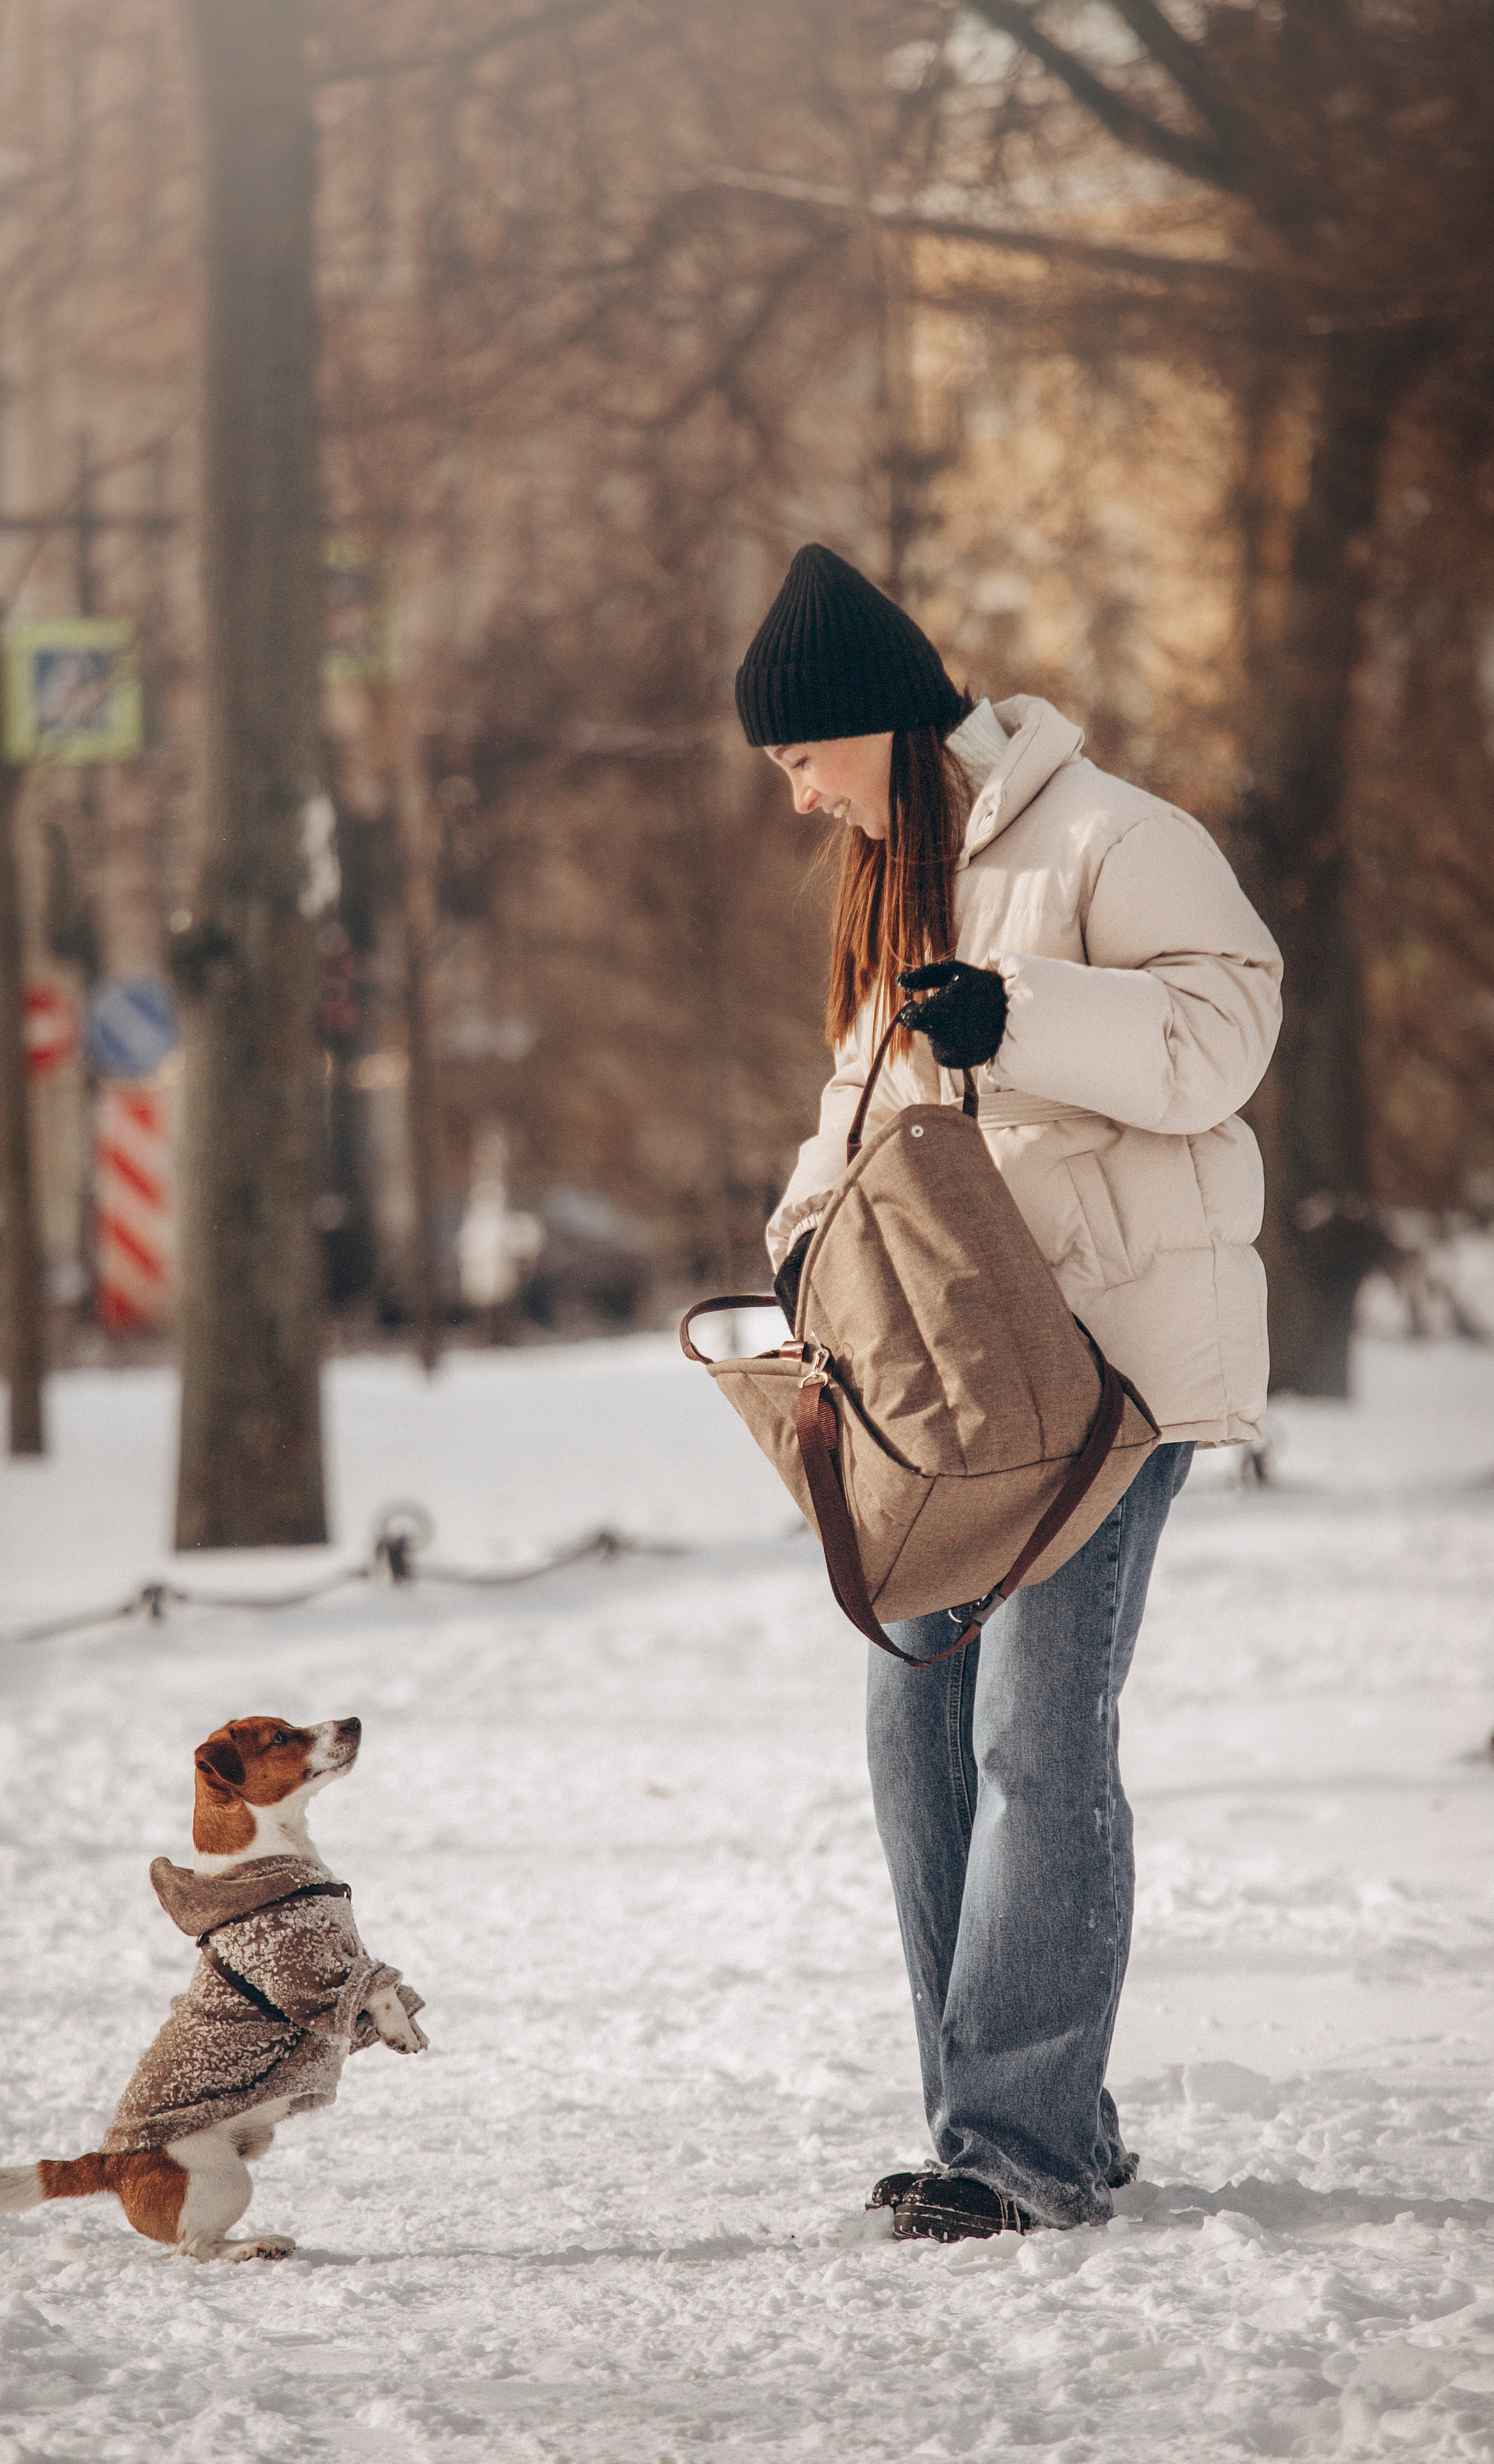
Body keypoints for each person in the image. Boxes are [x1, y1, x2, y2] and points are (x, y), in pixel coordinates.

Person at [735, 543, 1282, 2245]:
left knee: (1037, 1737)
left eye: (802, 761)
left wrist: (1019, 1016)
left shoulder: (1113, 836)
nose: (798, 798)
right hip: (962, 1396)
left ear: (877, 727)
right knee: (917, 1731)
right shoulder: (909, 874)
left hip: (1110, 1375)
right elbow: (865, 1105)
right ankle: (1009, 2118)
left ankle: (1018, 2152)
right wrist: (803, 1250)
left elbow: (1225, 1032)